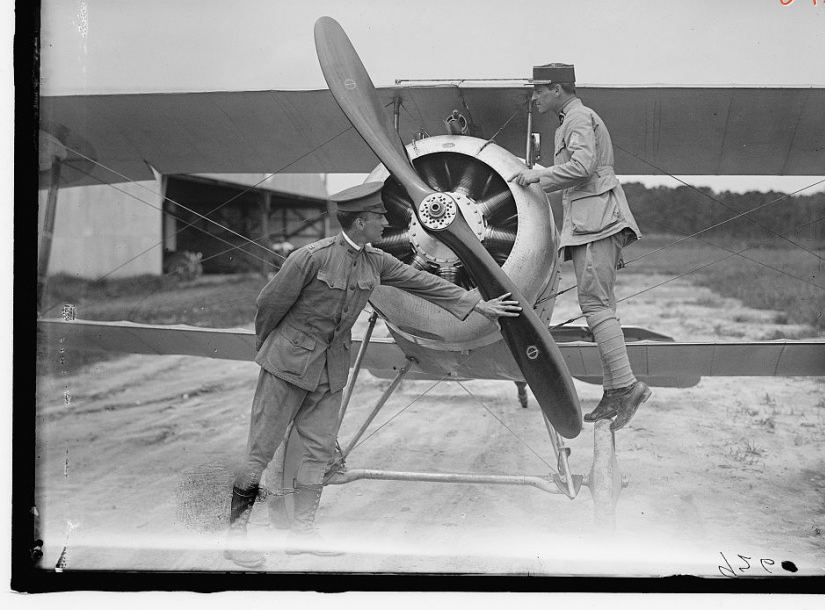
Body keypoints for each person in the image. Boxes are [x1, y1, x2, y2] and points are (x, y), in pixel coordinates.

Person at [224, 181, 521, 568]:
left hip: (330, 372)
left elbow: (424, 283)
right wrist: (272, 353)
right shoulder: (310, 257)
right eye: (380, 217)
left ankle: (301, 534)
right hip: (286, 366)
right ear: (361, 221)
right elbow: (269, 305)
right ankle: (235, 538)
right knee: (260, 452)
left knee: (318, 452)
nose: (386, 222)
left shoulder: (374, 261)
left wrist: (477, 305)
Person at [507, 63, 651, 432]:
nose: (534, 97)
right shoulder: (571, 118)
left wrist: (538, 175)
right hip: (592, 223)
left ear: (557, 89)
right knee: (600, 306)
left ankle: (626, 387)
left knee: (596, 306)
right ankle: (614, 390)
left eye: (539, 90)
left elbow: (584, 166)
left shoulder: (577, 118)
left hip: (597, 224)